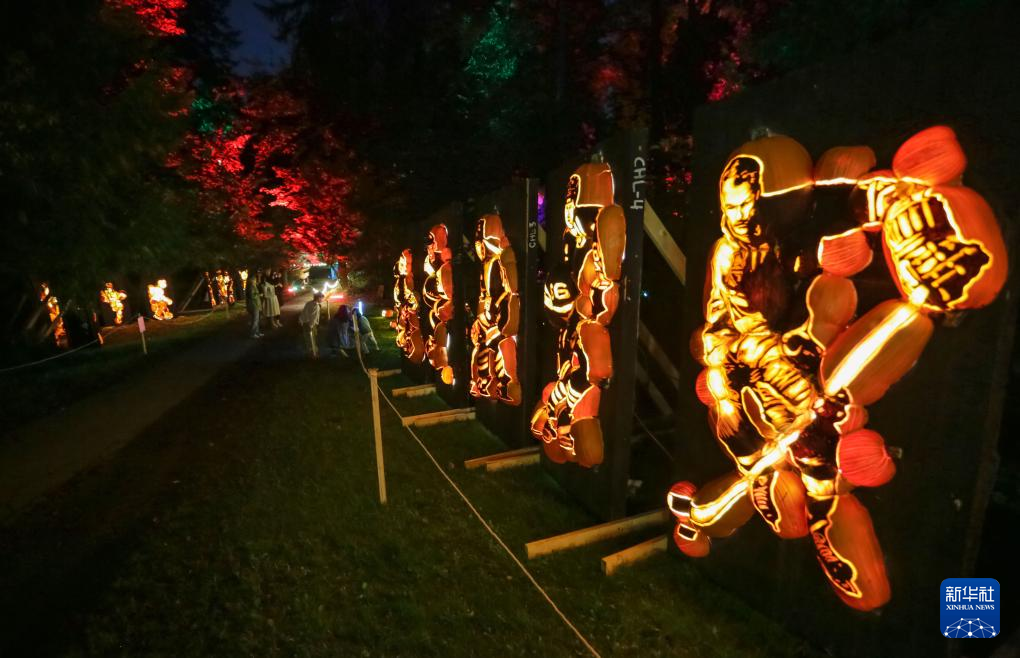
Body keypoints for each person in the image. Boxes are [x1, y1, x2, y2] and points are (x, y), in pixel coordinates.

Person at [299, 292, 323, 357]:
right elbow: (313, 317)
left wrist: (301, 320)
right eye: (321, 298)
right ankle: (314, 353)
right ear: (318, 298)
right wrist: (311, 326)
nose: (322, 299)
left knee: (307, 338)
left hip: (305, 323)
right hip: (311, 325)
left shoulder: (308, 303)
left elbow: (304, 312)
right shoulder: (316, 306)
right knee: (312, 338)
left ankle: (309, 351)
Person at [246, 272, 263, 338]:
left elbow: (259, 283)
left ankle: (257, 332)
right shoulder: (251, 287)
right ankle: (253, 334)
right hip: (254, 305)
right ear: (251, 280)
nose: (255, 281)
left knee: (257, 320)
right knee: (255, 320)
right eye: (254, 279)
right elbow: (252, 296)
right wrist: (259, 295)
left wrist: (259, 276)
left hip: (256, 304)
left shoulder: (254, 286)